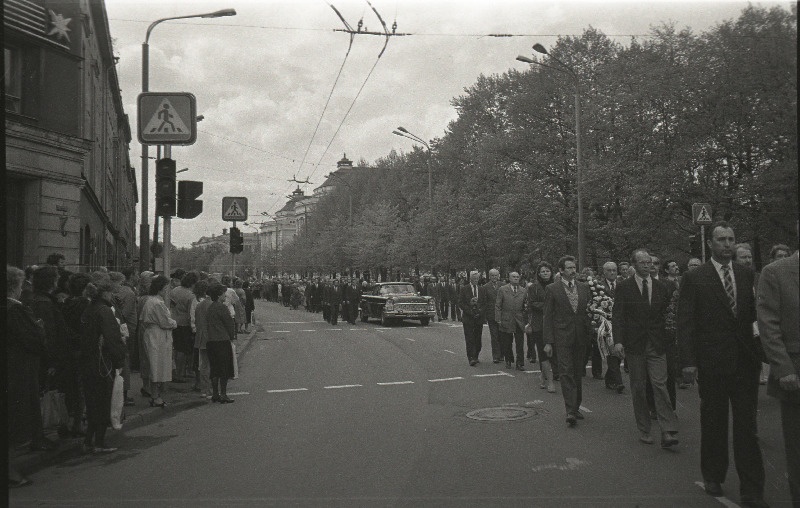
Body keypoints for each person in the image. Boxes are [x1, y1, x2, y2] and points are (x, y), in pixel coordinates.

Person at [678, 222, 766, 506]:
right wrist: (688, 361)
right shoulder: (695, 277)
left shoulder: (744, 274)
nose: (727, 244)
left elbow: (752, 315)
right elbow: (686, 322)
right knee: (714, 422)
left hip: (744, 363)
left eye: (731, 239)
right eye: (721, 240)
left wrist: (761, 349)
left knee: (747, 428)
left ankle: (752, 490)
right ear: (710, 244)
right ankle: (713, 475)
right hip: (712, 363)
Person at [613, 249, 680, 447]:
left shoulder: (662, 286)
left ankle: (668, 430)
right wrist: (618, 341)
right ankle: (644, 428)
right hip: (635, 345)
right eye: (642, 262)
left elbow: (668, 314)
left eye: (649, 262)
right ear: (633, 265)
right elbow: (618, 315)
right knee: (639, 387)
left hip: (657, 343)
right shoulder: (624, 287)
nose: (647, 265)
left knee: (660, 384)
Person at [757, 248, 799, 506]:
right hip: (795, 372)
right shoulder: (776, 272)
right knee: (797, 450)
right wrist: (783, 368)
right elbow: (768, 324)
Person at [7, 265, 52, 466]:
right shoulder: (15, 309)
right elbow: (34, 339)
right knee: (21, 409)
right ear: (15, 286)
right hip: (21, 367)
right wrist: (39, 328)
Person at [78, 278, 127, 454]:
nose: (113, 296)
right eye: (111, 292)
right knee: (104, 401)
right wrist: (120, 360)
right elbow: (113, 339)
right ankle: (98, 442)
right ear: (105, 293)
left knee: (92, 402)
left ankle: (88, 441)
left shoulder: (89, 309)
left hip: (88, 361)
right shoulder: (104, 311)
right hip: (103, 363)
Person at [543, 255, 591, 427]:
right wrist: (548, 341)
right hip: (562, 336)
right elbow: (547, 316)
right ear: (561, 271)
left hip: (581, 336)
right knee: (565, 371)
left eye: (574, 268)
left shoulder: (585, 287)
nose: (573, 271)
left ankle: (576, 406)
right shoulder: (552, 289)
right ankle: (570, 410)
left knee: (578, 372)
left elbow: (587, 312)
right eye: (569, 268)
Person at [29, 266, 72, 439]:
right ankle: (44, 433)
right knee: (47, 395)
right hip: (49, 359)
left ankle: (46, 431)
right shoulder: (44, 303)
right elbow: (49, 334)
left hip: (47, 357)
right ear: (50, 281)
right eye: (55, 278)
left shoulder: (40, 299)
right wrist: (52, 361)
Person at [140, 275, 177, 408]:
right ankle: (155, 396)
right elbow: (165, 322)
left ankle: (155, 394)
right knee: (157, 364)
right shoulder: (157, 303)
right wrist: (174, 323)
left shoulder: (151, 300)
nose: (167, 290)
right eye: (166, 287)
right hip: (158, 336)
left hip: (154, 334)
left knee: (154, 364)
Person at [205, 283, 236, 403]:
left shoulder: (210, 307)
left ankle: (215, 393)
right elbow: (229, 323)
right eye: (223, 293)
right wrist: (232, 336)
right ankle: (223, 394)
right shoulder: (222, 307)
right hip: (222, 340)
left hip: (211, 340)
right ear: (219, 295)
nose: (225, 295)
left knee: (214, 368)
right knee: (224, 368)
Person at [527, 262, 556, 392]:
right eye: (543, 271)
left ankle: (543, 375)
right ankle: (550, 382)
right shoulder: (534, 287)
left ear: (551, 272)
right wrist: (548, 307)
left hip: (555, 323)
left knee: (553, 352)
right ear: (538, 273)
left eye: (547, 271)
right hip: (539, 324)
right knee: (543, 352)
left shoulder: (556, 286)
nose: (545, 273)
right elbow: (532, 303)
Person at [109, 271, 136, 407]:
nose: (120, 286)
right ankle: (124, 394)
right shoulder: (127, 294)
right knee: (124, 362)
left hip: (119, 330)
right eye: (119, 283)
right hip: (122, 331)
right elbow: (122, 315)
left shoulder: (112, 296)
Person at [597, 261, 624, 393]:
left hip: (620, 322)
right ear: (604, 272)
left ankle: (609, 377)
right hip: (604, 323)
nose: (612, 273)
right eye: (609, 270)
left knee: (617, 352)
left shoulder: (623, 284)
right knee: (610, 349)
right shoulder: (598, 286)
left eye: (614, 270)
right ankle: (618, 381)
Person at [495, 271, 527, 371]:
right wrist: (498, 319)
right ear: (509, 278)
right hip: (506, 319)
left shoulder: (524, 290)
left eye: (517, 277)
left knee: (520, 343)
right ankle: (508, 360)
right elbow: (498, 305)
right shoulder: (503, 289)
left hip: (519, 319)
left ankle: (520, 363)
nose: (516, 278)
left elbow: (526, 306)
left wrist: (526, 319)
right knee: (507, 342)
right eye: (513, 277)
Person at [170, 271, 198, 382]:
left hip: (174, 321)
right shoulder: (191, 296)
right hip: (185, 324)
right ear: (193, 283)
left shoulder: (174, 291)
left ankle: (177, 371)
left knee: (177, 349)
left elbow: (171, 305)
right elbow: (191, 312)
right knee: (184, 349)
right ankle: (181, 373)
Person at [459, 270, 484, 366]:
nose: (476, 280)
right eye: (474, 279)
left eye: (477, 278)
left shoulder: (482, 289)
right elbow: (461, 303)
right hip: (468, 318)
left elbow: (484, 302)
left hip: (479, 318)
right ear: (470, 279)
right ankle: (471, 357)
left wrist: (480, 312)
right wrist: (469, 310)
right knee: (469, 338)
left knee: (478, 339)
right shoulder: (464, 289)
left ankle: (476, 355)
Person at [191, 280, 211, 398]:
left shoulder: (196, 302)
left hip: (199, 335)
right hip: (209, 336)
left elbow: (194, 318)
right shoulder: (209, 304)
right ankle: (208, 388)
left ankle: (203, 387)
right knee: (208, 363)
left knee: (202, 363)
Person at [136, 271, 154, 398]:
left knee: (145, 358)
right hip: (147, 328)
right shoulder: (148, 299)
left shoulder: (140, 297)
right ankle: (148, 385)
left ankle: (147, 384)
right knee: (148, 357)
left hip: (142, 328)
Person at [480, 269, 504, 364]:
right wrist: (484, 316)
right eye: (492, 275)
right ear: (489, 276)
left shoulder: (503, 286)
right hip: (491, 315)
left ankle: (502, 354)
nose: (494, 277)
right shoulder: (485, 287)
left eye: (496, 275)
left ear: (498, 276)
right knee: (494, 336)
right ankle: (496, 356)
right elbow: (484, 302)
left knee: (502, 335)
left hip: (502, 314)